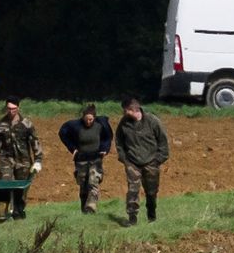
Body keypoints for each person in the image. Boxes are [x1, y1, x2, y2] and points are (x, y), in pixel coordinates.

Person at [114, 95, 170, 226]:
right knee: (133, 190)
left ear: (133, 109)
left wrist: (158, 160)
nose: (123, 113)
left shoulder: (152, 121)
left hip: (151, 162)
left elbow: (163, 141)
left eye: (125, 110)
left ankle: (152, 216)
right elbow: (119, 142)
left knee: (151, 192)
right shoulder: (124, 123)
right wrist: (124, 159)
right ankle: (132, 219)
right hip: (132, 163)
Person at [0, 95, 43, 221]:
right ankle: (1, 212)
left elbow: (35, 142)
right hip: (6, 159)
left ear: (18, 107)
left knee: (21, 189)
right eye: (9, 108)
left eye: (14, 108)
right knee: (4, 185)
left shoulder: (26, 124)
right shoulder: (0, 124)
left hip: (23, 160)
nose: (11, 111)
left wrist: (38, 160)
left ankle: (18, 211)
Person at [58, 103, 113, 214]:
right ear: (83, 117)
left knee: (93, 182)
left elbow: (108, 137)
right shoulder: (74, 126)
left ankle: (91, 207)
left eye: (91, 119)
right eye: (87, 120)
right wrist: (72, 148)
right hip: (81, 159)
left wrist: (104, 149)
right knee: (83, 184)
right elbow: (62, 133)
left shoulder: (101, 124)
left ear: (94, 117)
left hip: (96, 158)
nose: (89, 122)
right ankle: (84, 207)